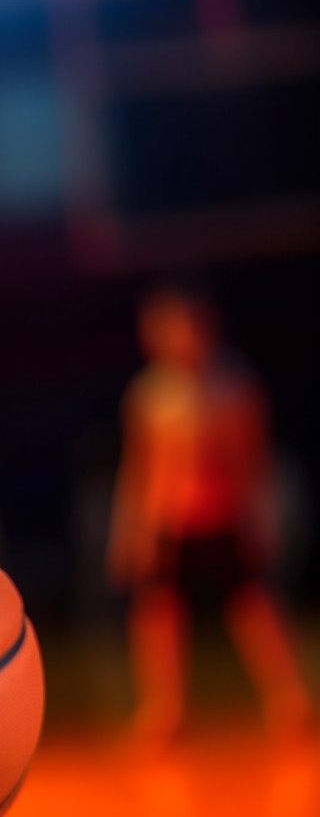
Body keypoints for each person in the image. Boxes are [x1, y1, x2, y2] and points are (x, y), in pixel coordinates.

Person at [107, 285, 312, 748]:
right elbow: (139, 468)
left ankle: (288, 700)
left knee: (253, 606)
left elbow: (253, 460)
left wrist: (263, 515)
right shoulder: (148, 394)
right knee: (157, 613)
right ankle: (164, 708)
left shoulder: (233, 385)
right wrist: (130, 530)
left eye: (185, 327)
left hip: (224, 515)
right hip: (169, 522)